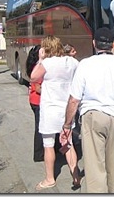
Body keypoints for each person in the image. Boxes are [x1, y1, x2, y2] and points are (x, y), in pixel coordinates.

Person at [60, 27, 114, 193]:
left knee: (95, 166)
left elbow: (74, 99)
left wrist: (67, 126)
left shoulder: (85, 64)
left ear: (94, 43)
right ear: (112, 45)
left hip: (93, 117)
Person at [30, 35, 81, 191]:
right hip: (67, 109)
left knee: (48, 145)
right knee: (68, 143)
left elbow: (33, 77)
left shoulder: (47, 63)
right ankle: (76, 177)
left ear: (46, 48)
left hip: (50, 110)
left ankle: (50, 179)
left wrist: (40, 59)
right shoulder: (73, 62)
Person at [26, 44, 44, 162]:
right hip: (37, 101)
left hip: (36, 101)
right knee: (39, 128)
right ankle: (38, 155)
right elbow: (38, 88)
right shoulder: (37, 68)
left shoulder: (39, 66)